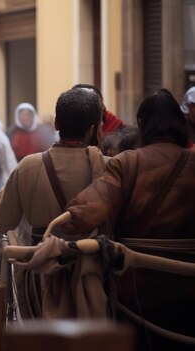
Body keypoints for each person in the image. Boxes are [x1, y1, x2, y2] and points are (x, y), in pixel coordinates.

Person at [64, 89, 195, 350]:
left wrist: (64, 224)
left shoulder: (125, 163)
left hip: (137, 288)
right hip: (189, 288)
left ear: (143, 125)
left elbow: (86, 211)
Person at [0, 87, 107, 318]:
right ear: (94, 129)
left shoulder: (28, 166)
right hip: (96, 273)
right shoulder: (110, 168)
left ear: (55, 124)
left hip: (41, 273)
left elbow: (1, 219)